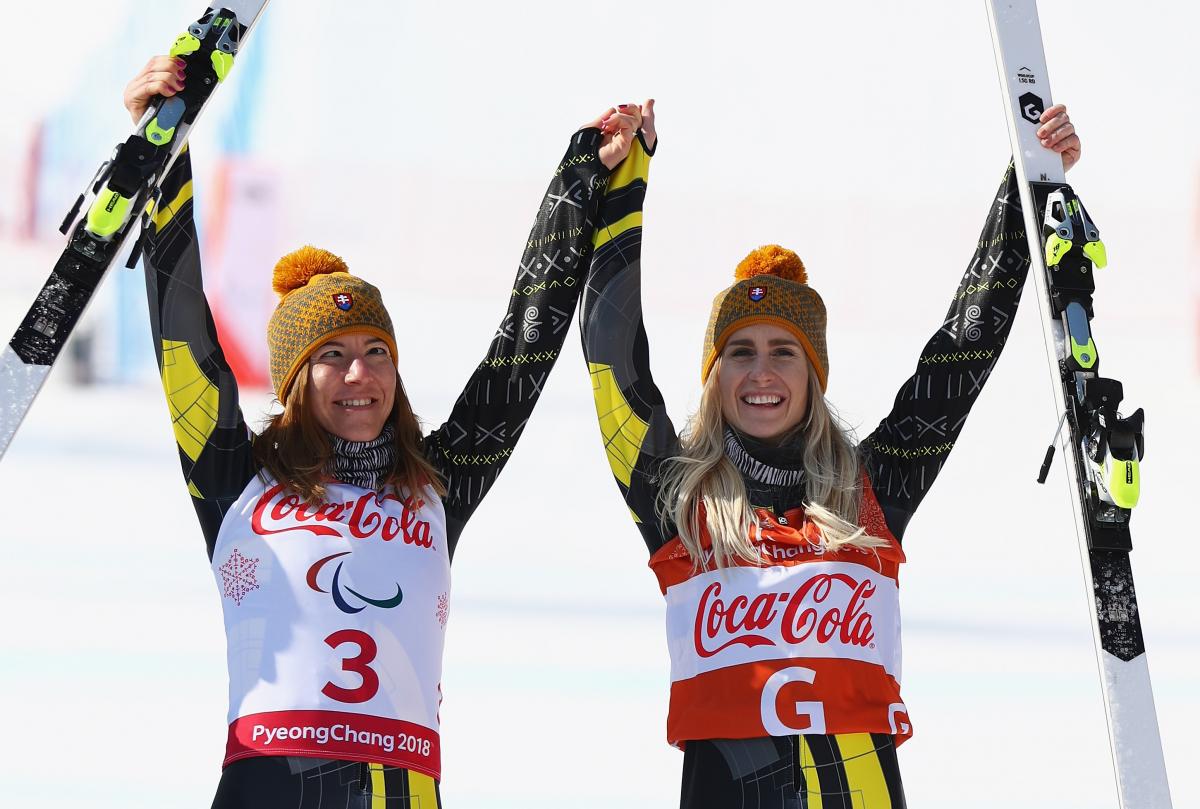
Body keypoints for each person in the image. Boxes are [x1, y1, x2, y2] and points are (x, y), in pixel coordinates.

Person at [125, 56, 644, 806]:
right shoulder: (236, 476)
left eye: (376, 354)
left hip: (402, 786)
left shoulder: (435, 482)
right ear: (296, 381)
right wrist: (161, 152)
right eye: (330, 358)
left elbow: (520, 349)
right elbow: (183, 330)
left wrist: (580, 178)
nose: (360, 375)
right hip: (269, 782)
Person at [579, 101, 1081, 807]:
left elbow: (961, 353)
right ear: (714, 376)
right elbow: (611, 355)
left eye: (785, 352)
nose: (761, 373)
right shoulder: (677, 499)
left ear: (813, 374)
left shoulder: (867, 490)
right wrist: (624, 182)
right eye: (740, 352)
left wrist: (1028, 181)